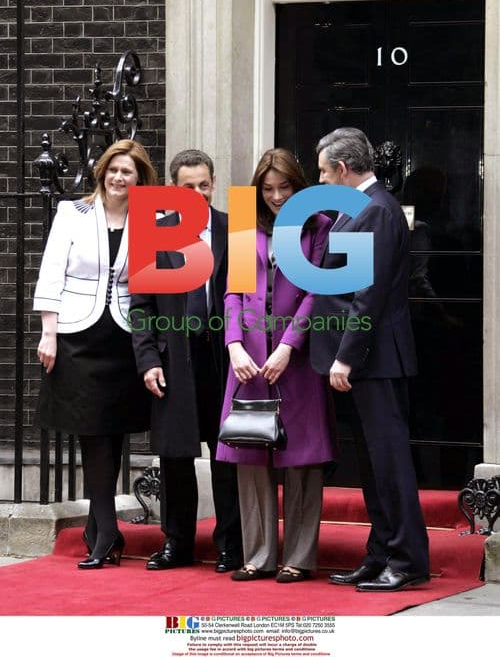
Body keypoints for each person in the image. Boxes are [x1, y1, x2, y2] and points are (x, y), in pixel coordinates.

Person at [310, 127, 430, 591]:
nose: (320, 180)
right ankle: (380, 554)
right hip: (366, 361)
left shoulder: (376, 210)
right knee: (374, 465)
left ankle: (406, 561)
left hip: (374, 360)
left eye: (323, 171)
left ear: (342, 169)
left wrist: (346, 359)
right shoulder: (361, 208)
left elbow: (368, 295)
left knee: (390, 463)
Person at [34, 139, 157, 569]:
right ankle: (106, 529)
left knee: (115, 428)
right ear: (102, 172)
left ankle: (96, 528)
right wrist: (48, 332)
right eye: (114, 169)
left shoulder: (150, 218)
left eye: (128, 171)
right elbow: (51, 271)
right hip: (77, 335)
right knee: (91, 431)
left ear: (140, 179)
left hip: (124, 335)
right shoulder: (73, 212)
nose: (119, 177)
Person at [217, 148, 336, 583]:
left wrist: (289, 346)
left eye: (285, 187)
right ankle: (258, 555)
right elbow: (233, 292)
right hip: (247, 359)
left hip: (296, 360)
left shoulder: (319, 226)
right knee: (250, 455)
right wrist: (232, 344)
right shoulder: (247, 223)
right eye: (268, 189)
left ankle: (299, 558)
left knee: (301, 460)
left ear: (299, 185)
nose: (277, 197)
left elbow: (316, 292)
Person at [130, 149, 242, 572]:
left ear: (213, 183)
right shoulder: (154, 230)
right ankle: (178, 543)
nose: (196, 193)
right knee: (175, 456)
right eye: (186, 186)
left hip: (224, 354)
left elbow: (251, 298)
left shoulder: (239, 228)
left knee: (227, 455)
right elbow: (140, 303)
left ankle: (233, 544)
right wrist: (147, 359)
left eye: (203, 185)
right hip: (173, 355)